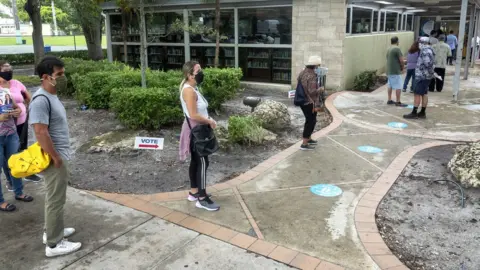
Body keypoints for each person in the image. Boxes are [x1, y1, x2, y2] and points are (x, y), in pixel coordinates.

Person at [29, 56, 79, 257]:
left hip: (58, 154)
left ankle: (52, 230)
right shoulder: (41, 100)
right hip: (53, 157)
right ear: (45, 77)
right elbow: (41, 132)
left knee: (55, 197)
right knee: (55, 200)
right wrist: (56, 157)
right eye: (59, 75)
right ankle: (54, 244)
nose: (63, 78)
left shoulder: (52, 96)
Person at [178, 61, 219, 211]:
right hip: (196, 131)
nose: (201, 73)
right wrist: (210, 121)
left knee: (196, 161)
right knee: (202, 162)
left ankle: (194, 192)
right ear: (190, 75)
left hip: (197, 129)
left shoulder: (193, 88)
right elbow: (194, 115)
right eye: (198, 71)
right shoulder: (189, 91)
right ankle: (202, 198)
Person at [0, 61, 42, 193]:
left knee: (21, 149)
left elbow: (27, 97)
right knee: (8, 155)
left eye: (10, 68)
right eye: (6, 69)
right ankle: (10, 180)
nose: (9, 71)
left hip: (20, 124)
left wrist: (25, 109)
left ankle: (25, 172)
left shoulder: (16, 83)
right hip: (4, 127)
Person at [0, 85, 34, 212]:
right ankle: (0, 201)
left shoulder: (4, 92)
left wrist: (17, 111)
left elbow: (16, 108)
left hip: (11, 134)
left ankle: (19, 192)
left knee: (15, 165)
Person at [404, 37, 435, 120]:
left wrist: (430, 72)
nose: (418, 44)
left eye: (419, 42)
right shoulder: (429, 50)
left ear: (422, 43)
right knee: (424, 94)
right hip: (426, 76)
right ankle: (422, 112)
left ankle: (414, 112)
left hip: (422, 76)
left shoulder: (425, 51)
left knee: (417, 94)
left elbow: (428, 64)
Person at [297, 56, 323, 151]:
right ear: (315, 65)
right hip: (309, 102)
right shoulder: (312, 75)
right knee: (310, 121)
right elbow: (312, 91)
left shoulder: (302, 72)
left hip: (303, 100)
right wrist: (320, 89)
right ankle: (304, 143)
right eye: (318, 65)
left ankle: (309, 138)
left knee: (311, 120)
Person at [386, 36, 407, 107]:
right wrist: (403, 68)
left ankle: (389, 100)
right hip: (395, 71)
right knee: (399, 86)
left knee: (390, 85)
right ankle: (398, 102)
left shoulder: (389, 48)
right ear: (397, 41)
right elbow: (401, 60)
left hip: (389, 70)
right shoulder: (397, 49)